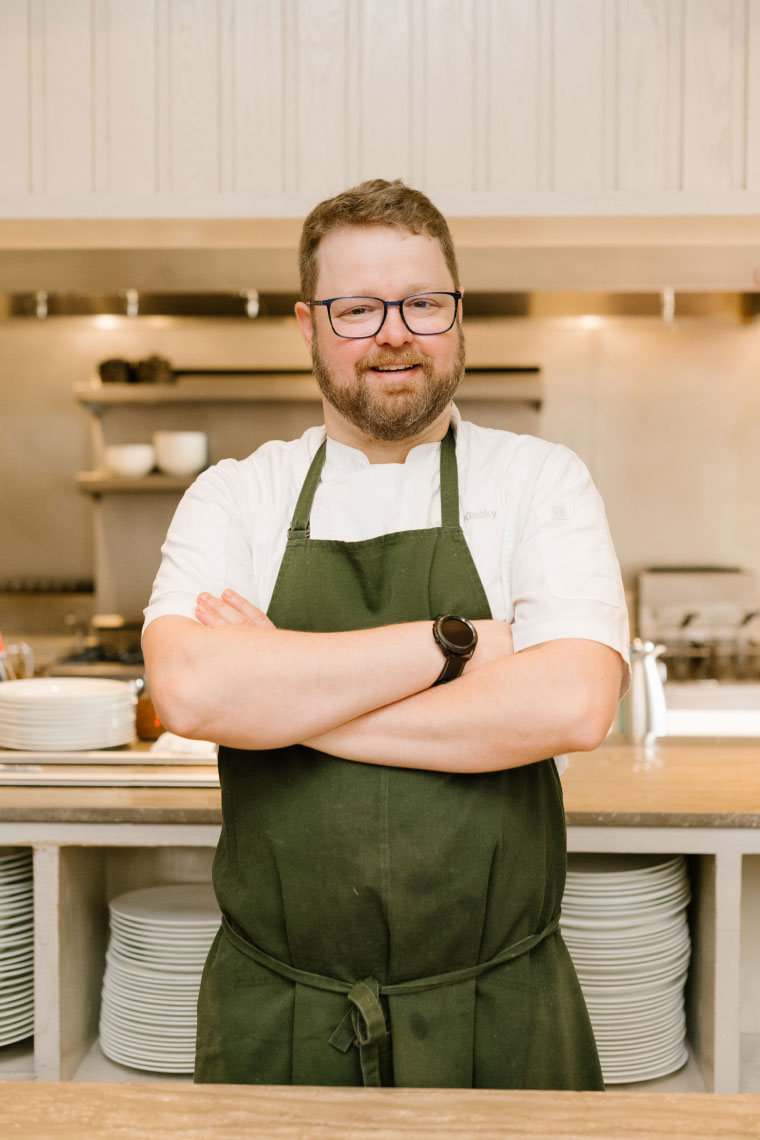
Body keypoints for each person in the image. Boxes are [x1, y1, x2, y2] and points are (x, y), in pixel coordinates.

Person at [142, 178, 630, 1090]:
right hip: (279, 1018)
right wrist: (455, 646)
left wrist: (287, 699)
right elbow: (192, 692)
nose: (394, 332)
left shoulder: (539, 483)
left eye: (423, 303)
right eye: (358, 307)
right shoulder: (237, 495)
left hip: (499, 1015)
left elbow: (570, 704)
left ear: (457, 315)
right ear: (307, 325)